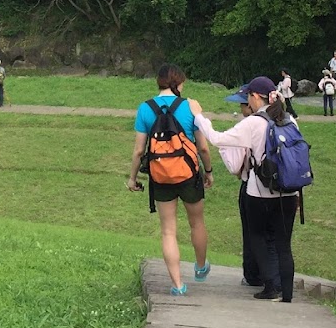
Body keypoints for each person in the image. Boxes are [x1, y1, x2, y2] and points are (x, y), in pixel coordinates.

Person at [192, 76, 299, 303]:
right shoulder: (291, 120)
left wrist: (199, 115)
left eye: (249, 97)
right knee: (282, 242)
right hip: (290, 191)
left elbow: (217, 139)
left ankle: (272, 288)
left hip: (260, 192)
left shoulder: (254, 123)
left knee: (258, 237)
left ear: (254, 97)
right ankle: (286, 293)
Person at [127, 64, 214, 295]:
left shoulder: (145, 109)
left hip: (160, 176)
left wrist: (132, 178)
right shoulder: (190, 107)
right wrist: (208, 171)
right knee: (197, 222)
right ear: (178, 84)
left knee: (168, 231)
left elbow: (138, 151)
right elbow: (202, 147)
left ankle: (177, 285)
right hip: (188, 174)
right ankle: (201, 266)